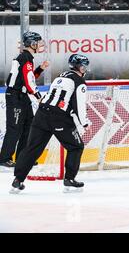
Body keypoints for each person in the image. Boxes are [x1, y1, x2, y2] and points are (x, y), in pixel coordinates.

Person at [10, 54, 90, 193]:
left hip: (41, 114)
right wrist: (84, 123)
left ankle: (18, 180)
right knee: (76, 147)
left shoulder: (59, 76)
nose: (85, 69)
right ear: (80, 67)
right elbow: (79, 105)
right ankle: (69, 179)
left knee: (32, 148)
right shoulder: (79, 81)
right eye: (84, 66)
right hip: (58, 117)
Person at [0, 32, 49, 169]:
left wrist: (40, 69)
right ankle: (4, 158)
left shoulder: (27, 58)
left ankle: (23, 158)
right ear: (32, 44)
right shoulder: (25, 58)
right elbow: (28, 82)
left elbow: (28, 78)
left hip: (21, 96)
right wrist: (39, 96)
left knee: (29, 126)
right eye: (38, 42)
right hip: (15, 97)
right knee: (14, 128)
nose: (40, 45)